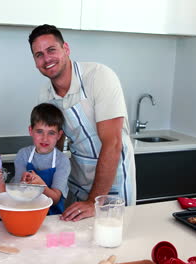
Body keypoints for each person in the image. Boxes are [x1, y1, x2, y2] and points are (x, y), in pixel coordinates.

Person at [28, 24, 136, 222]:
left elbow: (112, 143)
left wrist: (94, 201)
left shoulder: (99, 77)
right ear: (35, 62)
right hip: (78, 176)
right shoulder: (45, 94)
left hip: (113, 178)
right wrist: (42, 183)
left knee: (111, 236)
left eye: (51, 50)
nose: (46, 59)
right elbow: (53, 145)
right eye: (39, 55)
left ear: (66, 49)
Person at [13, 103, 71, 215]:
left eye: (51, 133)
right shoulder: (23, 154)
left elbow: (55, 199)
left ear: (59, 135)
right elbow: (17, 192)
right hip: (26, 212)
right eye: (39, 131)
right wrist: (23, 182)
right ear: (31, 130)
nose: (45, 138)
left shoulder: (62, 161)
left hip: (52, 217)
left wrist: (41, 187)